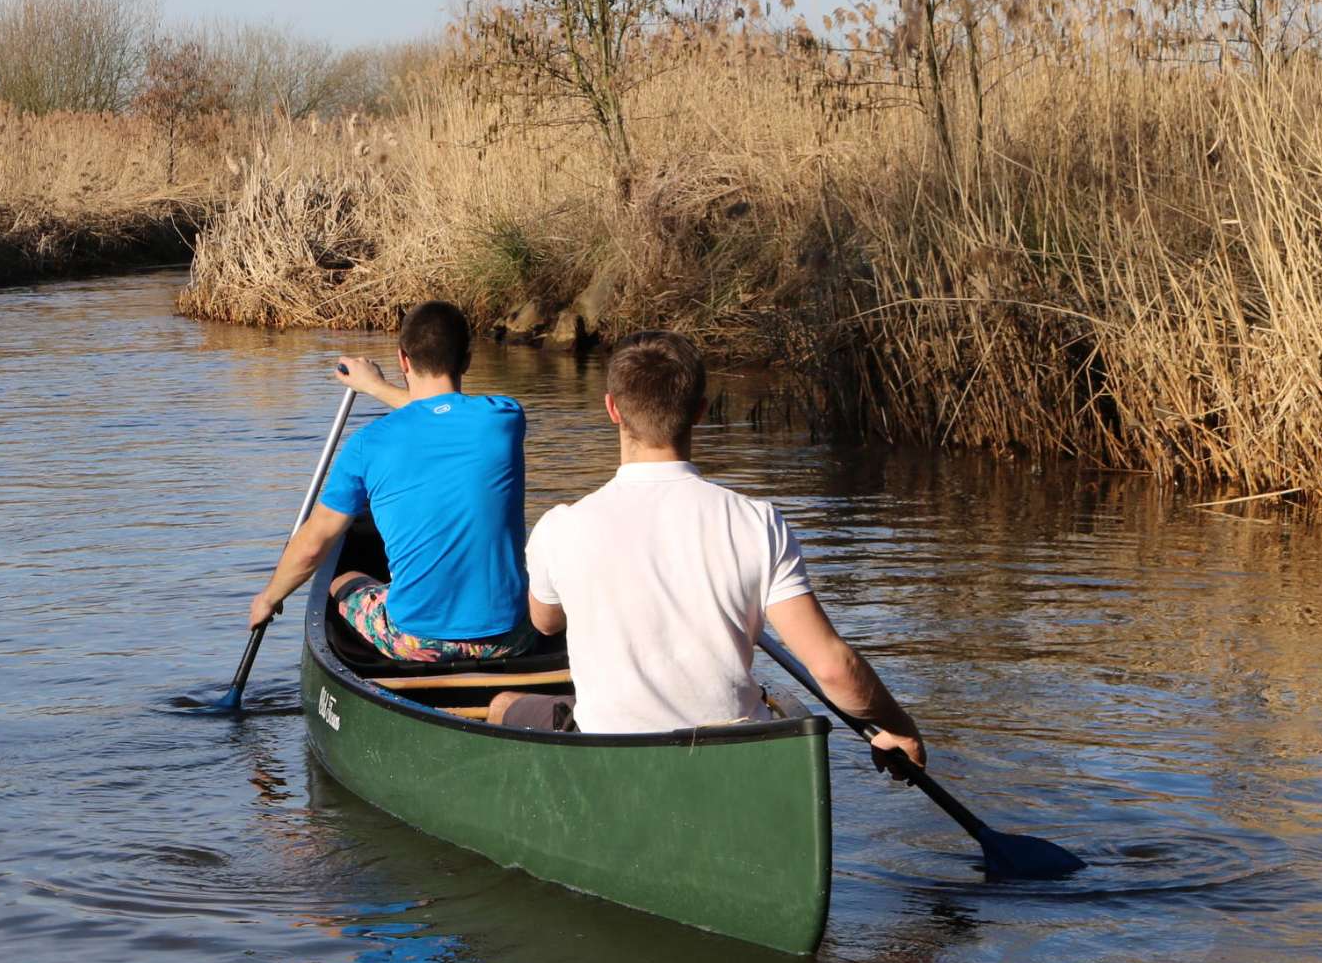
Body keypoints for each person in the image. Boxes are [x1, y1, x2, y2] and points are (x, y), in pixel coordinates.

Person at [522, 330, 926, 768]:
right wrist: (900, 726)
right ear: (700, 411)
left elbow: (544, 623)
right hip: (732, 761)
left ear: (613, 410)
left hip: (614, 756)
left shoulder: (560, 526)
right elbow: (831, 668)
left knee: (508, 704)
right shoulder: (758, 522)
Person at [248, 301, 538, 681]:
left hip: (415, 639)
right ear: (467, 359)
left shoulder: (367, 445)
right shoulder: (504, 417)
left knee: (342, 579)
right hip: (511, 635)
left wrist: (269, 598)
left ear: (404, 359)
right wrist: (375, 387)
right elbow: (439, 411)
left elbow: (314, 545)